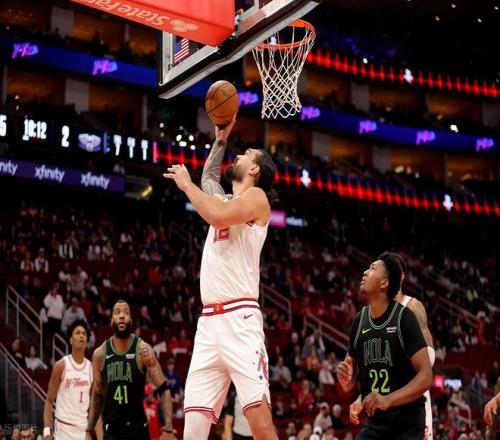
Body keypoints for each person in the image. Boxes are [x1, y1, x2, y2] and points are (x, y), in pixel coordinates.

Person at [164, 115, 277, 440]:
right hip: (209, 325)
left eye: (246, 154)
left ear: (254, 170)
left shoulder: (257, 198)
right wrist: (221, 138)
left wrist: (186, 186)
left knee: (261, 427)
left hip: (240, 321)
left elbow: (216, 214)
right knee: (193, 431)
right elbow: (209, 178)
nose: (238, 156)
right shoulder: (226, 198)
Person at [337, 253, 433, 440]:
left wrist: (389, 399)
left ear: (384, 283)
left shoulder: (404, 317)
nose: (365, 272)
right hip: (376, 422)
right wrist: (345, 380)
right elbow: (349, 380)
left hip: (407, 422)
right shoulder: (359, 320)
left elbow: (426, 376)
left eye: (372, 269)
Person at [85, 300, 175, 440]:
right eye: (117, 312)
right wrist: (89, 430)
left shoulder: (143, 350)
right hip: (112, 431)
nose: (122, 316)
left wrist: (168, 427)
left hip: (137, 429)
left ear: (131, 321)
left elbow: (163, 388)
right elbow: (97, 394)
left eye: (126, 313)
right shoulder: (100, 354)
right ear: (111, 320)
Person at [43, 319, 93, 440]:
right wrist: (46, 431)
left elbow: (94, 407)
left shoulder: (92, 368)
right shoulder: (61, 365)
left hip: (82, 429)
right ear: (70, 340)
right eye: (77, 333)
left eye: (84, 334)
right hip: (63, 429)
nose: (81, 335)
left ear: (87, 341)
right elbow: (49, 400)